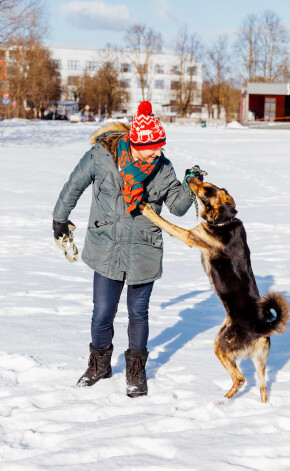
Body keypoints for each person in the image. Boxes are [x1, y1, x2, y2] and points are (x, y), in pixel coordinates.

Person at [52, 101, 203, 398]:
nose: (158, 152)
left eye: (161, 146)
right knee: (102, 314)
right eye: (154, 147)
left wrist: (190, 185)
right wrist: (59, 218)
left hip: (143, 249)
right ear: (136, 143)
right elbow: (73, 186)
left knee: (138, 314)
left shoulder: (163, 168)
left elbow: (179, 208)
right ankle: (99, 365)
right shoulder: (101, 156)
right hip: (106, 246)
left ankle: (136, 371)